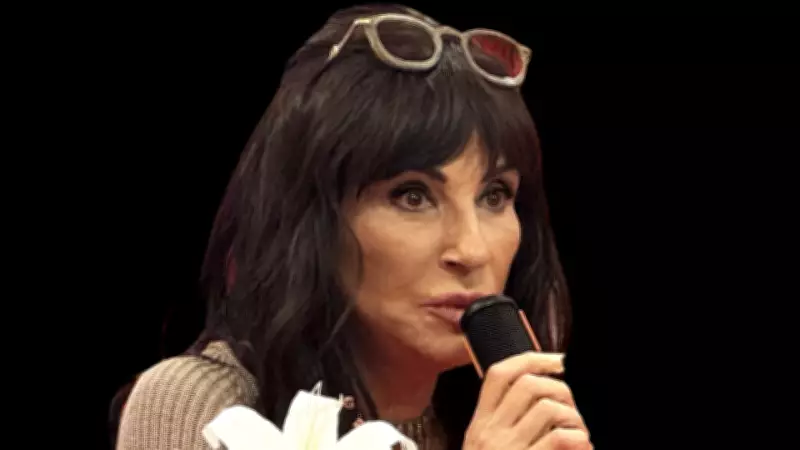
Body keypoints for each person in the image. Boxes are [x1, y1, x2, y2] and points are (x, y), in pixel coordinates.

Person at [113, 3, 591, 449]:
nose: (471, 250)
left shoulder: (494, 420)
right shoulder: (207, 406)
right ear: (314, 221)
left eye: (494, 196)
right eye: (412, 196)